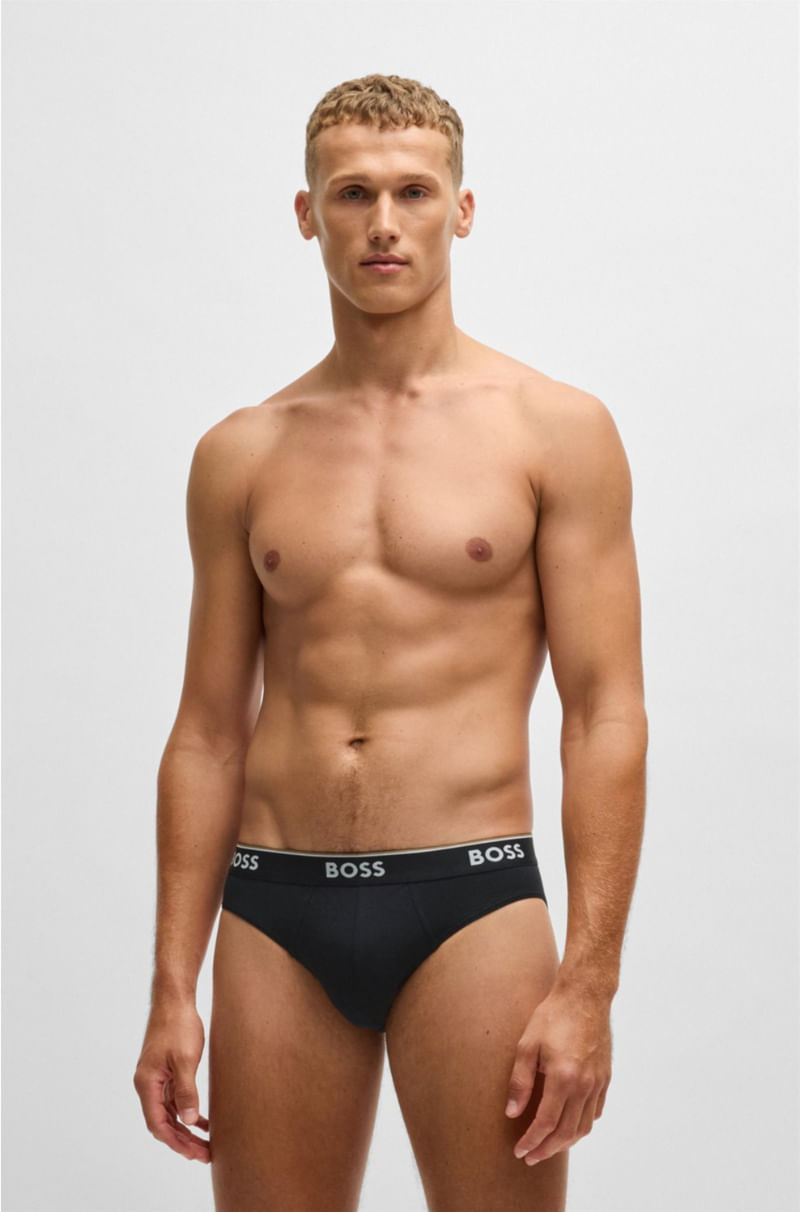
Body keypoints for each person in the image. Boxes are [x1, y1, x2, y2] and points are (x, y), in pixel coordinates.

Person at [133, 72, 648, 1212]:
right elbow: (208, 733)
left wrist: (590, 983)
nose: (383, 223)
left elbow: (605, 713)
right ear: (306, 213)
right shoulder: (241, 452)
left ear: (461, 209)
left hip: (471, 900)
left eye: (413, 191)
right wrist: (171, 983)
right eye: (352, 193)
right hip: (274, 909)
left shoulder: (555, 431)